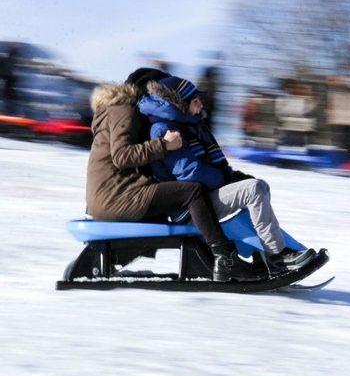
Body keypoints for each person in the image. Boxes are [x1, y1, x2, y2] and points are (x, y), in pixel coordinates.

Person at [85, 68, 262, 282]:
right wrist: (164, 145)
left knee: (174, 208)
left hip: (113, 195)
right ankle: (224, 256)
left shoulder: (122, 112)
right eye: (156, 91)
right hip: (116, 197)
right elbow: (122, 157)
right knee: (191, 192)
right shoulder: (124, 110)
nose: (159, 97)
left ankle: (113, 260)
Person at [137, 75, 316, 271]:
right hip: (190, 206)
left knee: (259, 186)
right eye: (195, 102)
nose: (200, 107)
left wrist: (231, 176)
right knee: (253, 190)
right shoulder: (164, 129)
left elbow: (208, 166)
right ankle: (277, 256)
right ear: (180, 103)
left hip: (204, 195)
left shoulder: (189, 126)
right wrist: (225, 180)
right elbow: (189, 173)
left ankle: (264, 253)